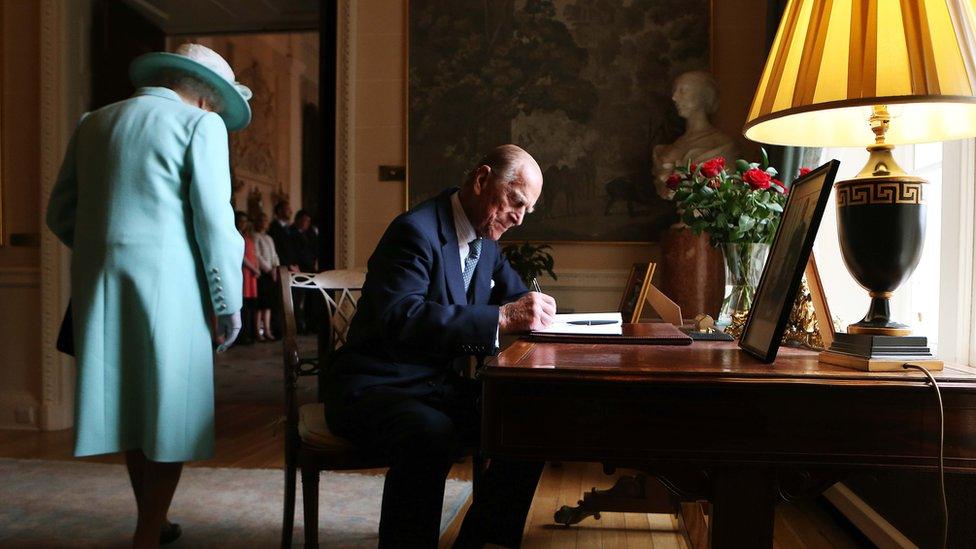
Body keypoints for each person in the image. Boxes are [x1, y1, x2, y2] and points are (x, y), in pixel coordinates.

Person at [45, 43, 251, 548]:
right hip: (172, 289)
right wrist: (227, 303)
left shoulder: (94, 121)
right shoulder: (199, 126)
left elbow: (60, 213)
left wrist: (108, 248)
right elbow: (214, 222)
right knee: (170, 410)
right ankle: (145, 534)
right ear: (206, 99)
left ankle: (153, 522)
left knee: (134, 407)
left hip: (100, 285)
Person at [325, 144, 557, 548]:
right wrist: (501, 318)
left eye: (527, 210)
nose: (519, 218)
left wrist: (552, 319)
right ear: (482, 180)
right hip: (374, 385)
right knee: (431, 433)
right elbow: (402, 316)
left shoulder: (486, 242)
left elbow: (518, 298)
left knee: (528, 420)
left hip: (431, 385)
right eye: (515, 202)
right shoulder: (414, 231)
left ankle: (481, 542)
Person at [652, 70, 737, 198]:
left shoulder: (722, 144)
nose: (674, 97)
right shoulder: (670, 147)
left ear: (703, 96)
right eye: (675, 91)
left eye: (683, 91)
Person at [252, 212, 280, 341]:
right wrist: (269, 269)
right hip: (262, 273)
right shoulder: (255, 236)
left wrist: (275, 267)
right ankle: (258, 331)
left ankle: (268, 330)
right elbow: (257, 255)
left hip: (271, 274)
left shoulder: (269, 238)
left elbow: (274, 255)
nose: (264, 223)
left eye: (265, 220)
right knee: (260, 304)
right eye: (261, 220)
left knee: (268, 304)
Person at [238, 211, 261, 344]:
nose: (243, 224)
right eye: (241, 221)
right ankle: (242, 335)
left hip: (251, 273)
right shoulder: (236, 235)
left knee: (251, 305)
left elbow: (254, 254)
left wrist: (256, 268)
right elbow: (241, 255)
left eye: (245, 221)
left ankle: (250, 333)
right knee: (244, 305)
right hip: (244, 272)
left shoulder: (248, 236)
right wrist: (253, 268)